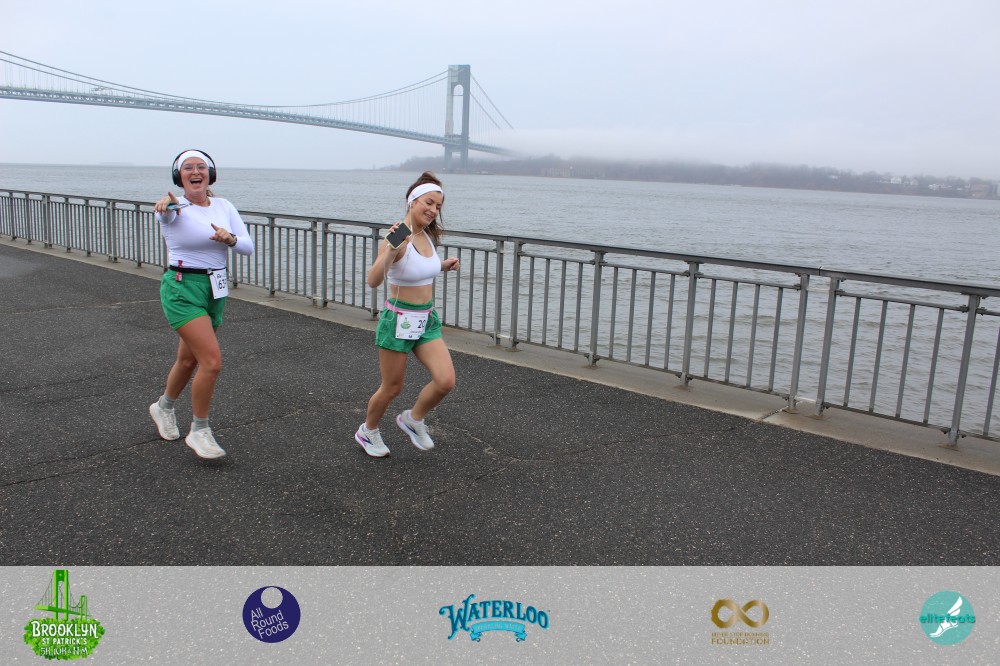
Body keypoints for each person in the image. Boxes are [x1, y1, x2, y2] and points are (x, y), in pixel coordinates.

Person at [148, 149, 254, 459]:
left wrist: (230, 238)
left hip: (214, 289)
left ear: (210, 173)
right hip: (182, 288)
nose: (195, 172)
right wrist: (165, 206)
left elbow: (247, 246)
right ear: (178, 176)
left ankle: (163, 407)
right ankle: (200, 430)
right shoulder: (174, 207)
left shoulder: (224, 206)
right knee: (212, 361)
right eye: (188, 168)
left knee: (188, 360)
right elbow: (164, 214)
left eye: (201, 167)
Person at [355, 171, 461, 457]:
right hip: (398, 321)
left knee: (445, 381)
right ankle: (368, 431)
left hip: (425, 319)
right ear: (412, 201)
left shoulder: (425, 234)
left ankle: (413, 420)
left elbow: (417, 268)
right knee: (392, 387)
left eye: (438, 206)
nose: (433, 210)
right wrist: (391, 251)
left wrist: (442, 265)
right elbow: (373, 280)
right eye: (429, 202)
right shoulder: (398, 234)